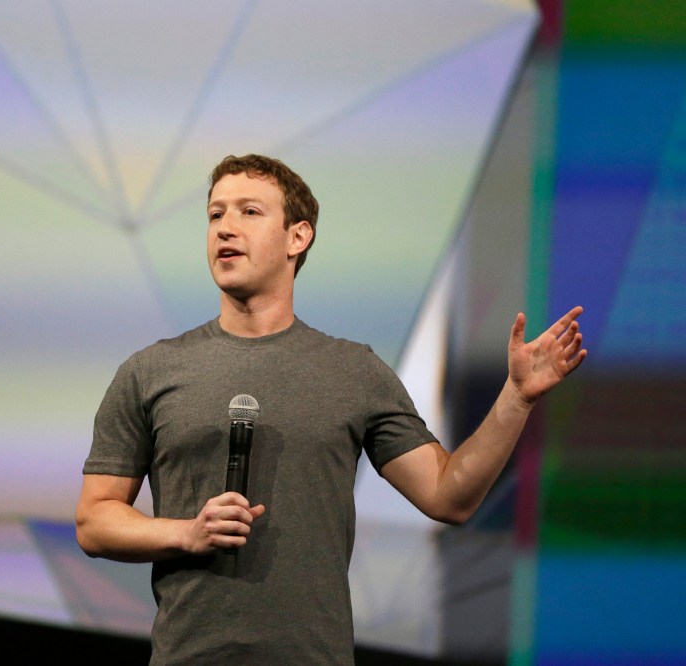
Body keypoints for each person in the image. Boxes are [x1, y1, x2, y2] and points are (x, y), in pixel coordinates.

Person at [76, 154, 586, 664]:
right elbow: (94, 522)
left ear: (298, 237)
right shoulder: (151, 371)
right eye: (215, 215)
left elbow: (448, 497)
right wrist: (186, 532)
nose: (225, 228)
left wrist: (516, 398)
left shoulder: (353, 371)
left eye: (249, 212)